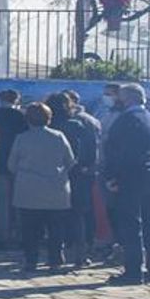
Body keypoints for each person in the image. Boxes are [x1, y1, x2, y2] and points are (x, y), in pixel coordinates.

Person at [103, 83, 150, 286]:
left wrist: (112, 177)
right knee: (147, 222)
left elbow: (118, 152)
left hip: (130, 176)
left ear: (127, 98)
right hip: (149, 174)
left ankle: (133, 271)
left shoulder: (127, 120)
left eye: (119, 97)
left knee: (131, 224)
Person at [9, 102, 75, 274]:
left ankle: (31, 260)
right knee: (55, 229)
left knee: (30, 229)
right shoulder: (59, 137)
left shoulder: (22, 138)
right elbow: (70, 161)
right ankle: (55, 260)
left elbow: (11, 165)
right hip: (56, 191)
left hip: (28, 191)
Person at [49, 91, 100, 265]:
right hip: (78, 175)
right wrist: (86, 166)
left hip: (54, 176)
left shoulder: (49, 128)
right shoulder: (79, 125)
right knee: (77, 215)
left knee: (55, 217)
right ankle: (80, 253)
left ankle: (57, 254)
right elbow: (91, 150)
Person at [0, 89, 27, 249]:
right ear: (17, 100)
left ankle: (1, 237)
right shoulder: (22, 118)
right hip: (20, 166)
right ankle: (22, 236)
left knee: (1, 204)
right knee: (21, 203)